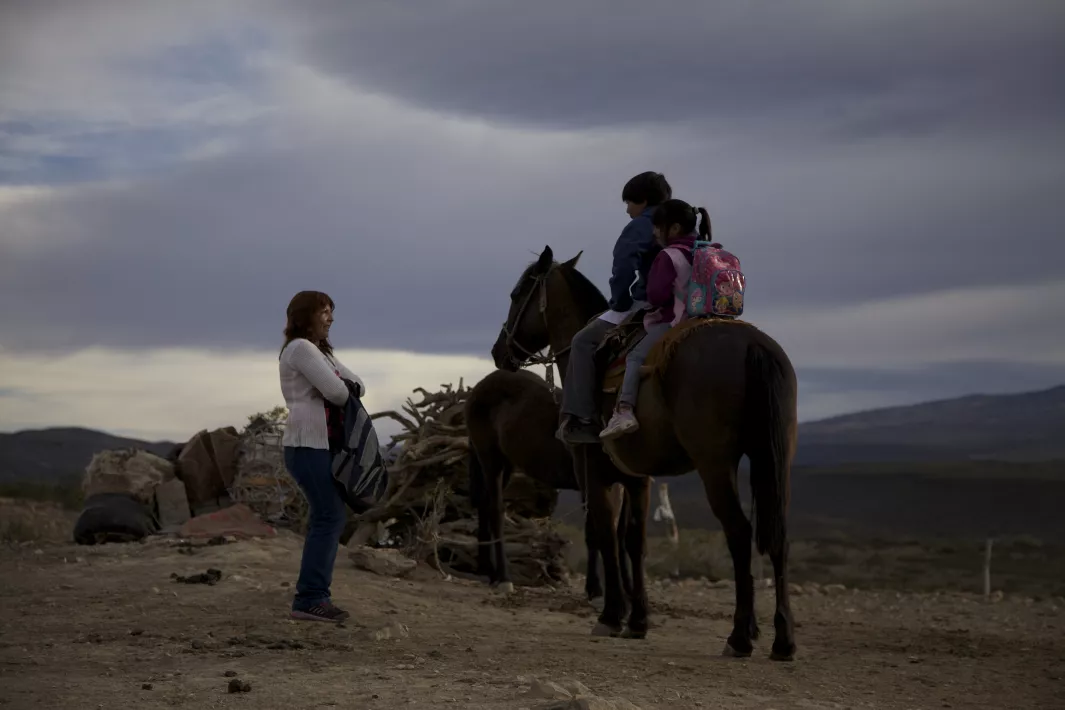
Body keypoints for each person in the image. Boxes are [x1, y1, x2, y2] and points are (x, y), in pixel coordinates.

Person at [557, 171, 672, 444]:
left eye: (629, 204)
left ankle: (583, 419)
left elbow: (623, 266)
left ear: (642, 201)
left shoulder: (641, 225)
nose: (628, 211)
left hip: (649, 304)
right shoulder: (679, 220)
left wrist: (620, 302)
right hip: (689, 304)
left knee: (583, 341)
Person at [278, 290, 365, 622]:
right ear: (305, 316)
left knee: (326, 516)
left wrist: (339, 385)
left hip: (319, 446)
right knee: (330, 516)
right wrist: (337, 387)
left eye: (331, 311)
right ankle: (311, 598)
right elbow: (338, 392)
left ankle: (312, 596)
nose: (330, 318)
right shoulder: (300, 349)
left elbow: (359, 386)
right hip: (305, 446)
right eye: (324, 312)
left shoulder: (323, 354)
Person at [599, 199, 710, 439]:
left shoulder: (668, 255)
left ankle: (624, 410)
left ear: (675, 229)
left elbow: (657, 296)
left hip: (678, 322)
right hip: (711, 320)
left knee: (635, 356)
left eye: (659, 228)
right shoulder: (709, 250)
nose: (655, 233)